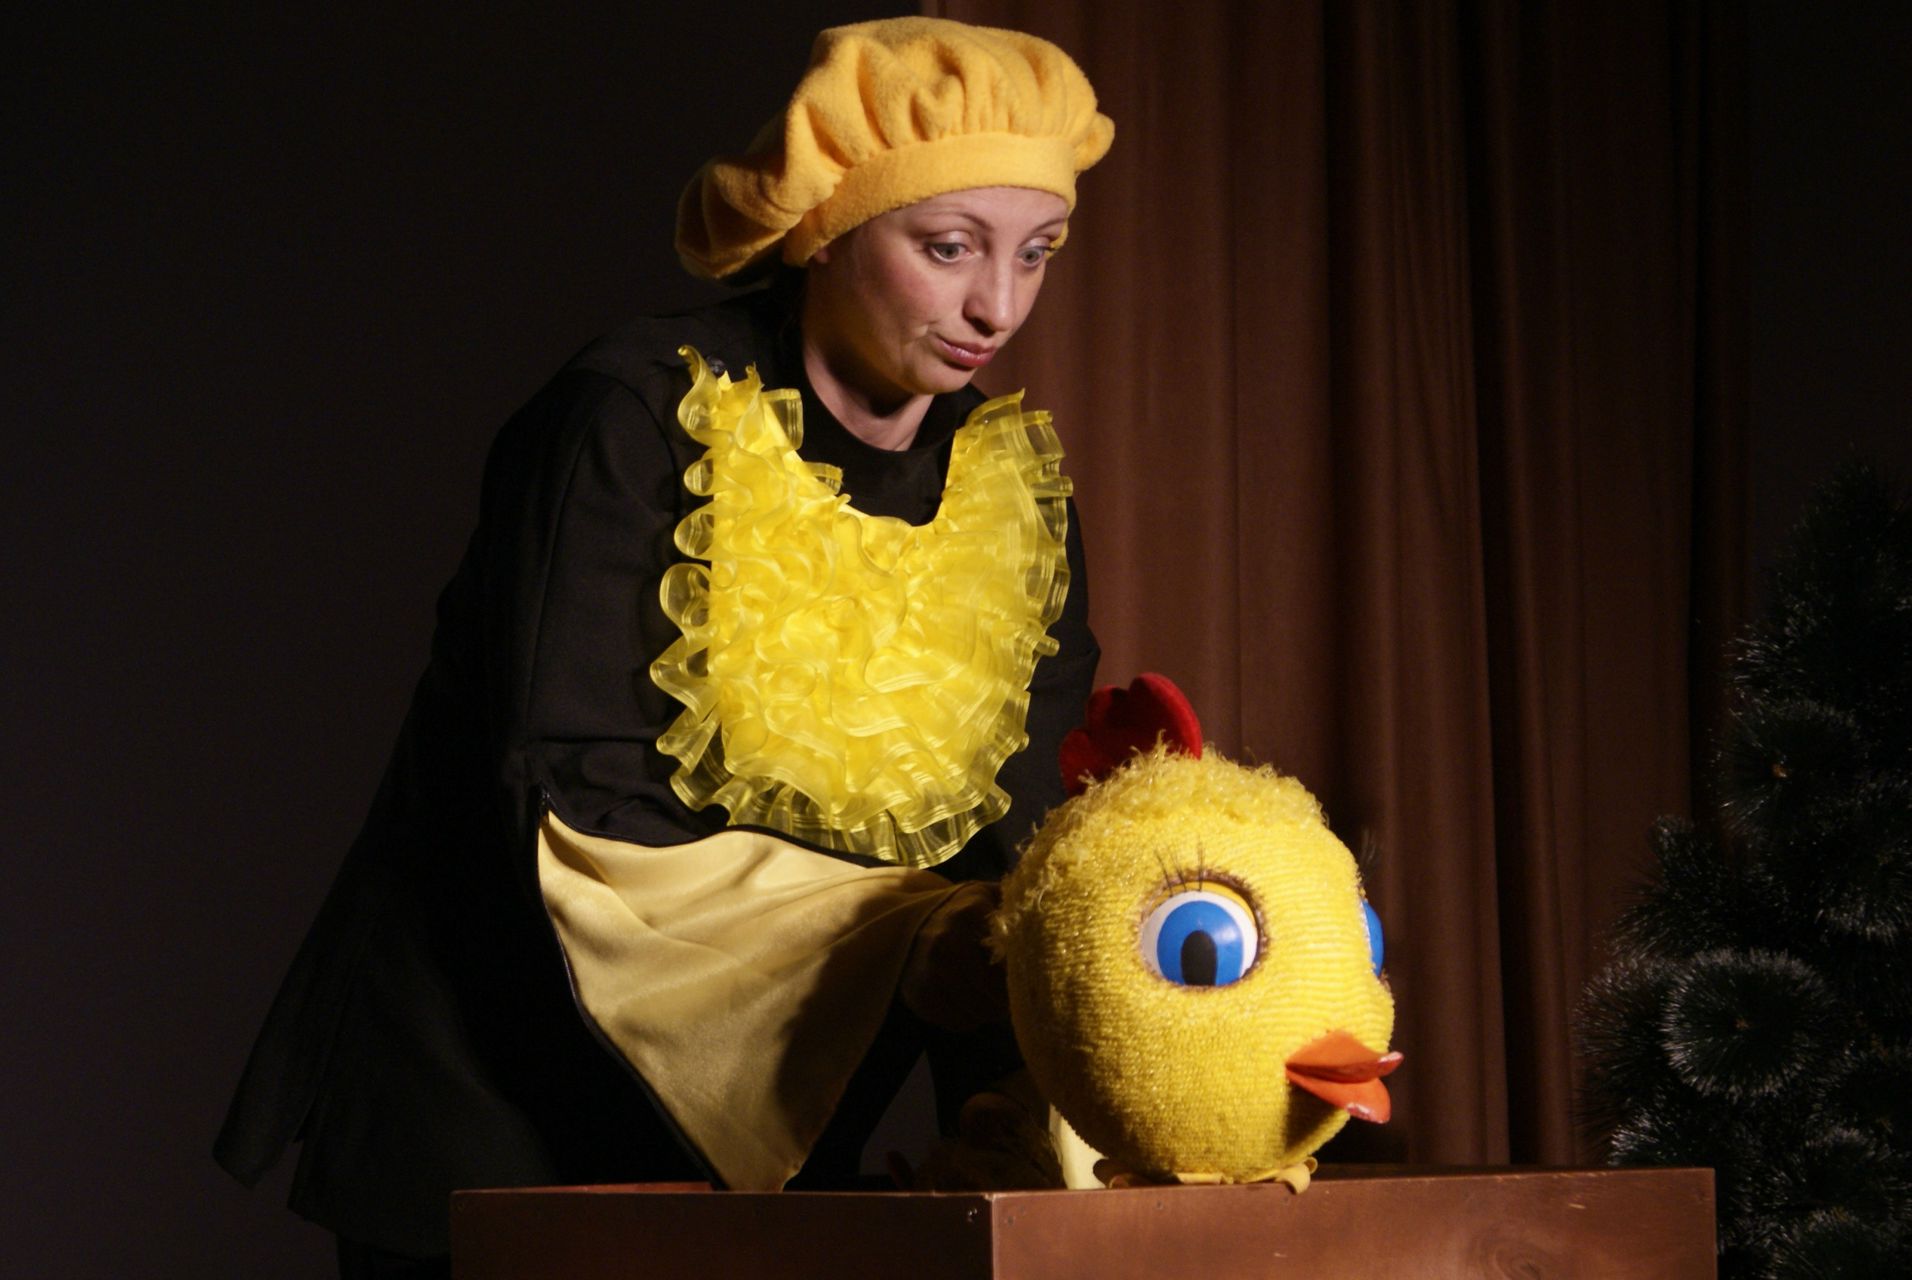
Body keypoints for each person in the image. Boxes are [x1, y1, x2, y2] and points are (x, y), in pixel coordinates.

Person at [215, 17, 1112, 1276]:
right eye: (948, 246)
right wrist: (913, 945)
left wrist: (1059, 1099)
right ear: (827, 226)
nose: (997, 305)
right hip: (505, 1100)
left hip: (781, 1114)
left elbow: (1014, 840)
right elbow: (577, 797)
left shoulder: (1010, 492)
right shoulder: (637, 415)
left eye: (1036, 251)